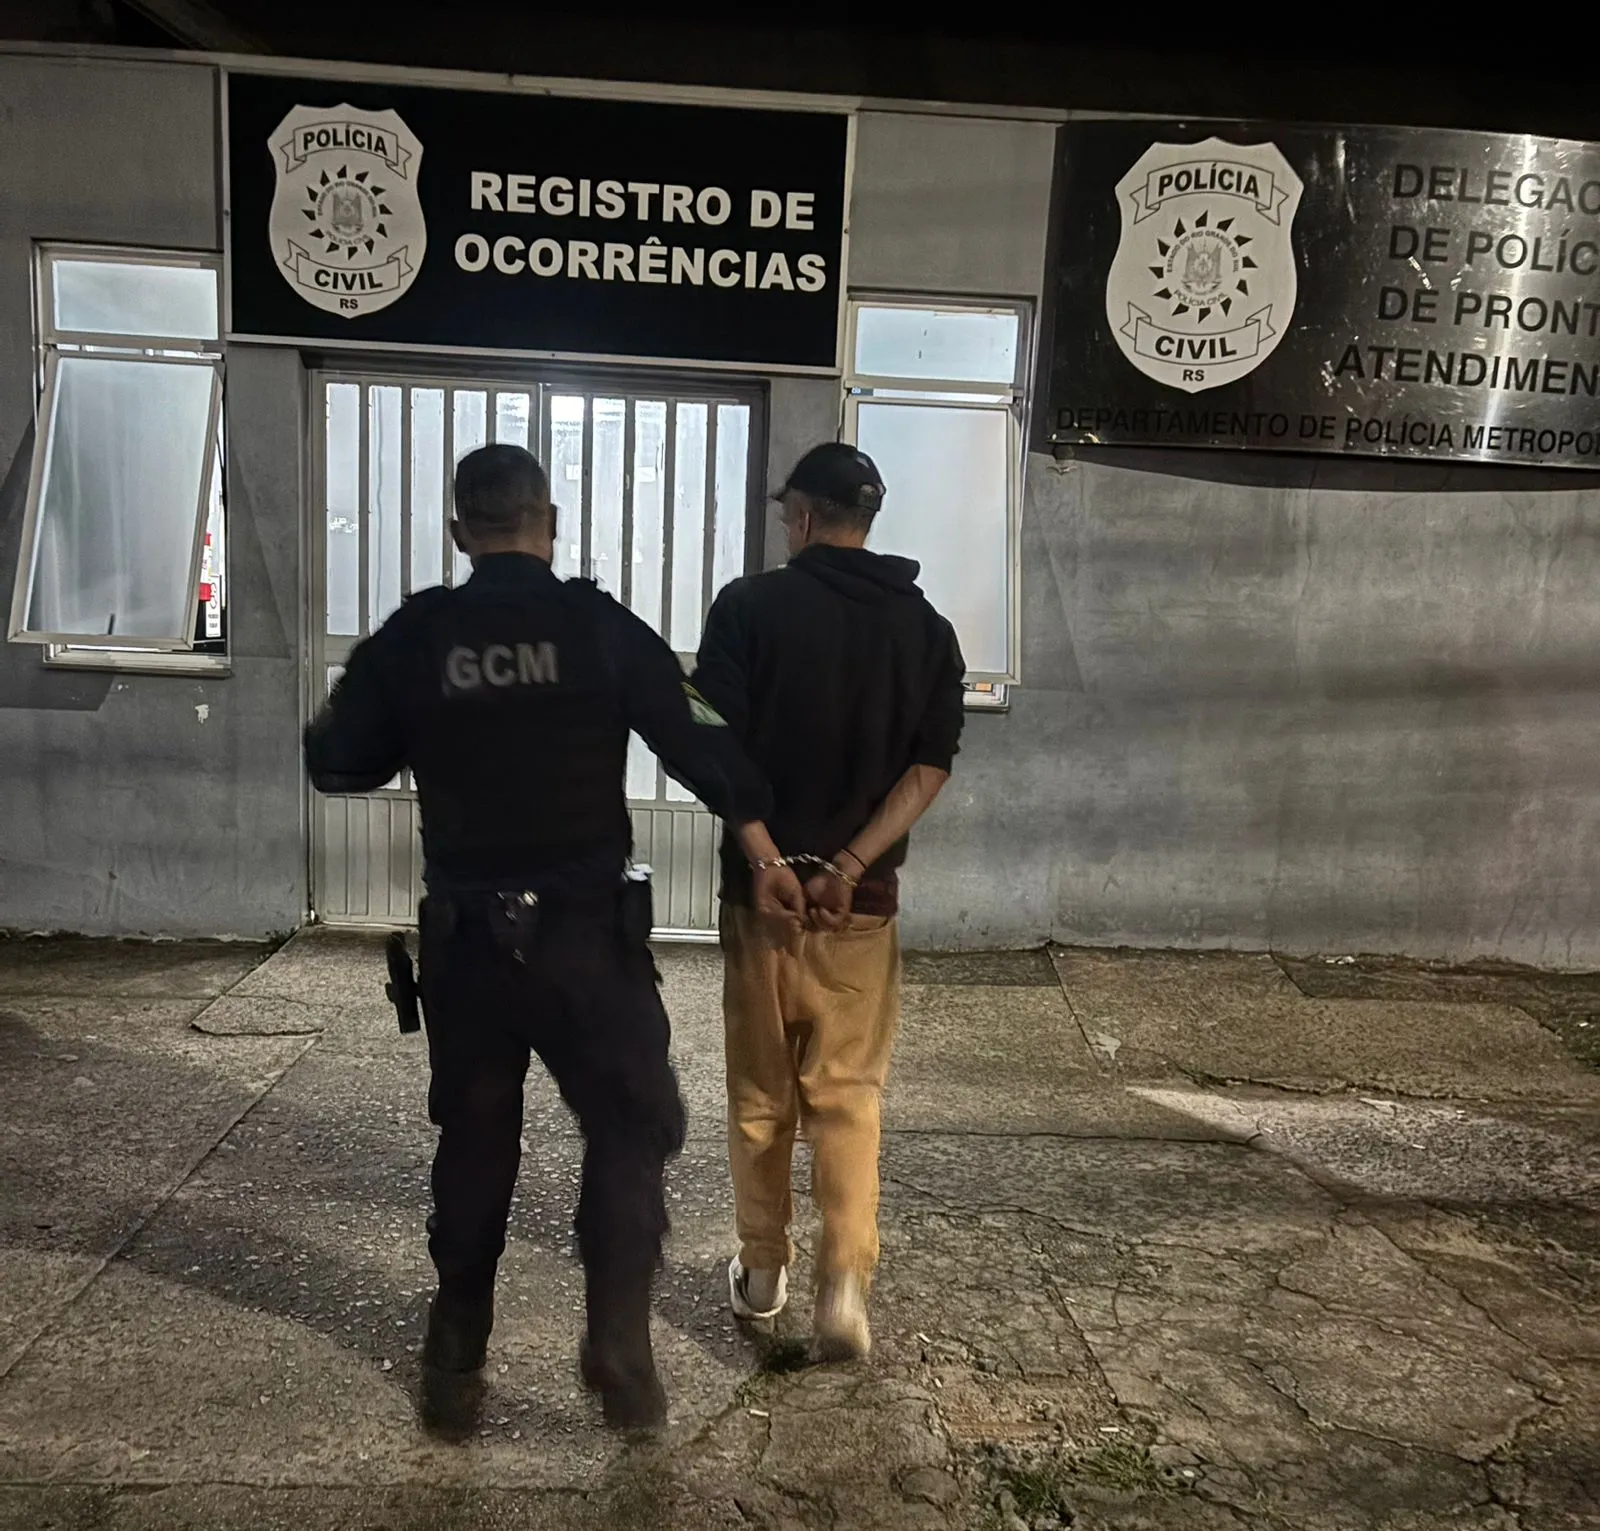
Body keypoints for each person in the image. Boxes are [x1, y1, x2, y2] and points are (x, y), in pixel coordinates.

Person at [304, 444, 804, 1431]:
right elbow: (700, 739)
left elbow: (337, 759)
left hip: (467, 948)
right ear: (552, 524)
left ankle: (455, 1349)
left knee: (475, 1137)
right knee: (630, 1125)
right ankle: (618, 1343)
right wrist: (764, 840)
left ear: (460, 531)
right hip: (588, 944)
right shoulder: (599, 627)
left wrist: (404, 710)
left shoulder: (419, 634)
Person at [691, 442, 966, 1360]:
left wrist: (767, 854)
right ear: (866, 520)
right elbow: (930, 766)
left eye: (786, 517)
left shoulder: (747, 607)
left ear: (804, 518)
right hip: (862, 907)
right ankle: (844, 1282)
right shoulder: (928, 630)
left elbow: (707, 739)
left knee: (761, 1094)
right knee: (848, 1096)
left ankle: (762, 1269)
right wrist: (846, 865)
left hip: (760, 905)